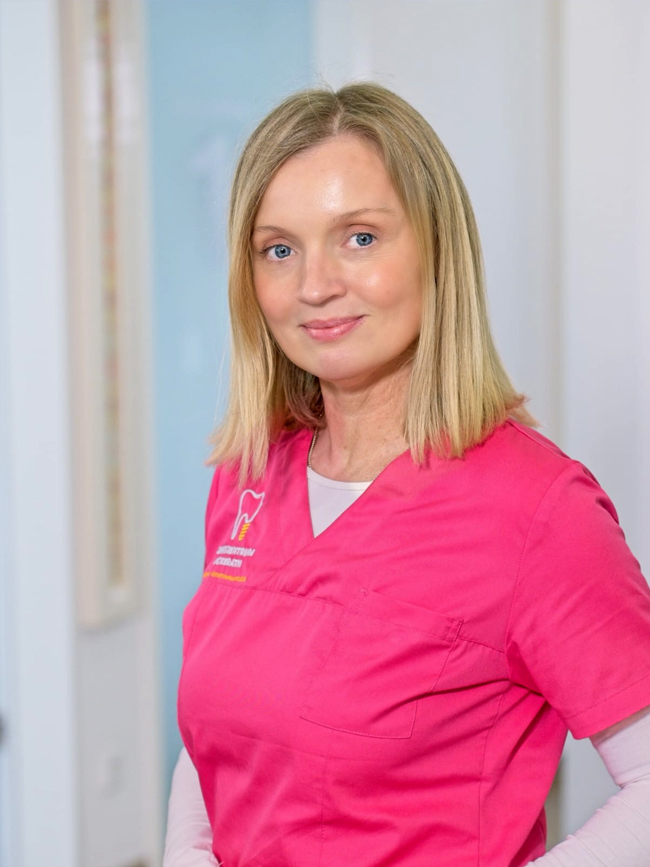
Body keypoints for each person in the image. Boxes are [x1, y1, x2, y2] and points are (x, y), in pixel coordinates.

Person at [163, 83, 650, 867]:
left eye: (359, 238)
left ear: (435, 249)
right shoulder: (249, 475)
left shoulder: (537, 511)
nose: (315, 284)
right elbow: (222, 728)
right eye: (279, 249)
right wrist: (185, 850)